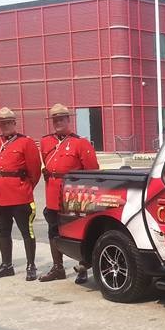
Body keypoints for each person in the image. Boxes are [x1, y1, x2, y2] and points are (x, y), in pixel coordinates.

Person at [38, 104, 99, 283]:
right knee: (53, 231)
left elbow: (92, 171)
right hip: (53, 195)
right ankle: (58, 268)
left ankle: (82, 268)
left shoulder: (80, 143)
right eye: (55, 120)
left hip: (74, 195)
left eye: (61, 119)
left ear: (68, 120)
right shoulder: (46, 142)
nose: (58, 123)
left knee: (79, 233)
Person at [0, 107, 42, 281]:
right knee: (3, 232)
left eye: (8, 122)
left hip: (20, 195)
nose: (5, 125)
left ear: (14, 123)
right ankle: (6, 265)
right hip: (0, 196)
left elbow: (35, 170)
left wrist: (25, 187)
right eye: (2, 123)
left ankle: (31, 265)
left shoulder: (26, 142)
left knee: (27, 232)